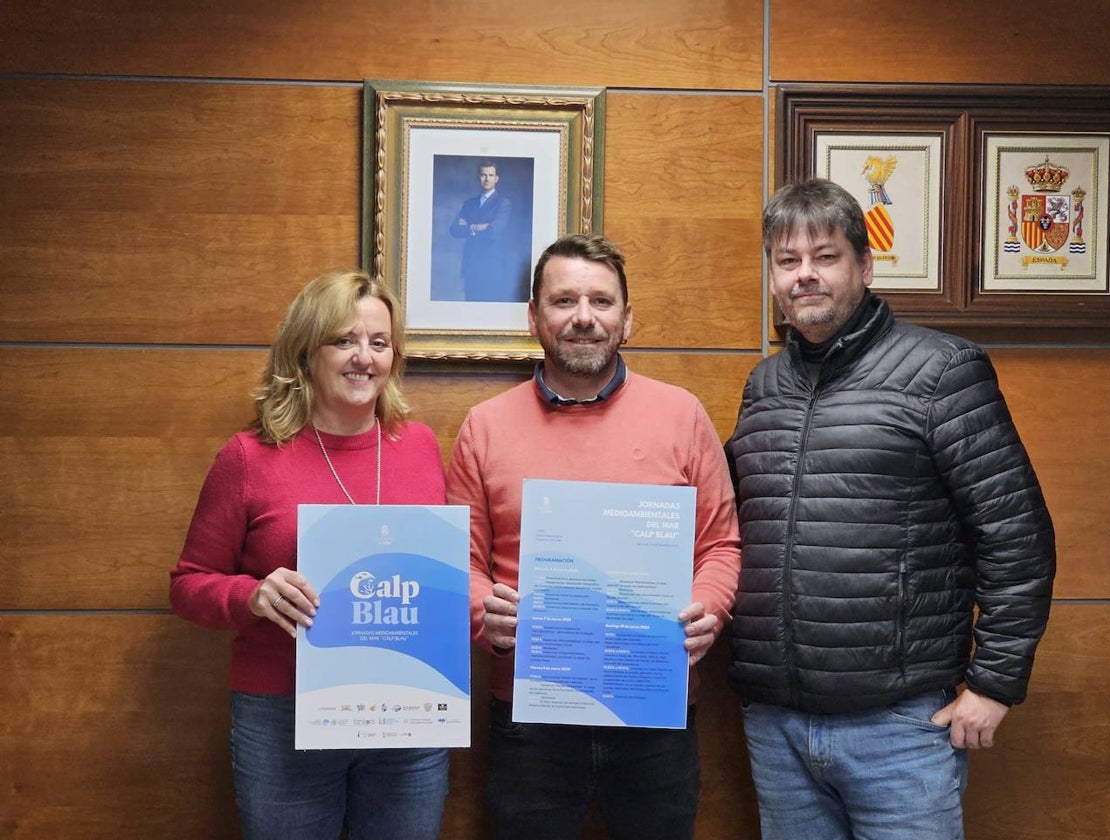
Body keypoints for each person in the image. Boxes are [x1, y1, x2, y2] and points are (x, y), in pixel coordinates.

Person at [724, 178, 1056, 840]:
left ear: (865, 265)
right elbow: (731, 532)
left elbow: (1017, 537)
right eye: (787, 261)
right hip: (777, 725)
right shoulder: (763, 387)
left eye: (825, 256)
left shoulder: (943, 371)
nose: (805, 276)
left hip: (898, 729)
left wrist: (993, 685)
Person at [446, 233, 741, 840]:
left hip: (655, 710)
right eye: (564, 301)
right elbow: (460, 564)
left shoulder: (682, 415)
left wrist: (706, 609)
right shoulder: (484, 427)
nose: (584, 317)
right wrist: (485, 615)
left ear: (627, 319)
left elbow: (720, 544)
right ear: (534, 317)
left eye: (601, 302)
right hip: (532, 720)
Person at [168, 270, 449, 840]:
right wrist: (252, 595)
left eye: (379, 342)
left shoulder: (418, 446)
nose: (363, 358)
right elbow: (188, 584)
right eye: (344, 340)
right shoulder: (249, 457)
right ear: (305, 351)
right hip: (284, 714)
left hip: (408, 715)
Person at [450, 159, 519, 301]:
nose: (487, 179)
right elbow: (454, 230)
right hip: (471, 266)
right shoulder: (469, 204)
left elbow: (493, 231)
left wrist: (469, 228)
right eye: (483, 175)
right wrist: (477, 227)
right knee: (471, 311)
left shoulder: (503, 203)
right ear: (478, 177)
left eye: (491, 175)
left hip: (492, 267)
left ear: (496, 178)